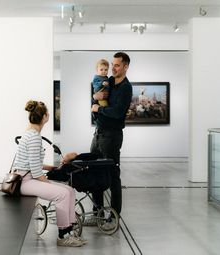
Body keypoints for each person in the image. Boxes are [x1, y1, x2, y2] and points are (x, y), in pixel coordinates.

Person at [14, 100, 87, 247]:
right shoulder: (34, 137)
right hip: (25, 181)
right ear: (45, 117)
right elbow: (35, 170)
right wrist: (47, 182)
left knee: (69, 190)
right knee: (62, 193)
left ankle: (69, 230)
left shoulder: (30, 134)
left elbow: (34, 163)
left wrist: (52, 168)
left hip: (27, 178)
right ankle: (62, 236)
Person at [85, 52, 132, 226]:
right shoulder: (109, 81)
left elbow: (118, 112)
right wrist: (94, 97)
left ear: (126, 66)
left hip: (112, 136)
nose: (113, 68)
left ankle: (114, 217)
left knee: (113, 176)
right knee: (94, 171)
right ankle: (97, 214)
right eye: (112, 64)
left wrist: (99, 109)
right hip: (98, 133)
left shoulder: (126, 88)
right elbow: (96, 93)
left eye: (117, 65)